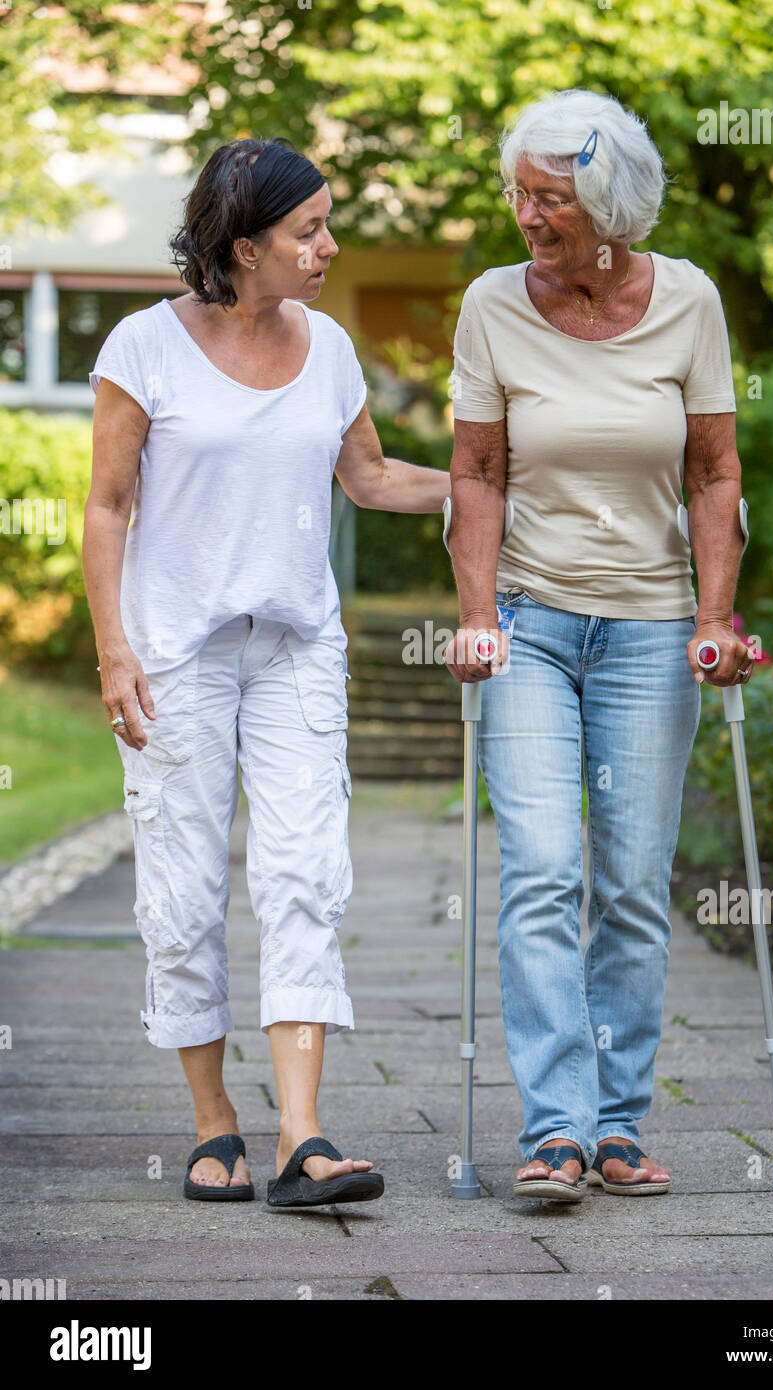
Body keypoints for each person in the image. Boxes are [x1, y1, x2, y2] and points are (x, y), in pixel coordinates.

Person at [83, 138, 450, 1207]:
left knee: (304, 873)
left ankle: (303, 1134)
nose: (328, 246)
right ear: (242, 246)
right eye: (308, 232)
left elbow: (371, 477)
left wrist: (490, 487)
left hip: (294, 649)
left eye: (326, 226)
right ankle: (213, 1125)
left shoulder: (330, 347)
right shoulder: (143, 347)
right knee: (183, 888)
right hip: (174, 656)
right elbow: (106, 507)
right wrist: (113, 648)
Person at [444, 89, 751, 1202]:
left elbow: (714, 472)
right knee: (539, 868)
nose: (525, 214)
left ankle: (617, 1123)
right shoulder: (491, 305)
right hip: (527, 621)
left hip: (650, 630)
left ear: (610, 203)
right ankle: (556, 1130)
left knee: (628, 882)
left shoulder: (687, 303)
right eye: (517, 193)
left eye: (549, 198)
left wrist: (714, 618)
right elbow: (476, 472)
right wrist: (475, 613)